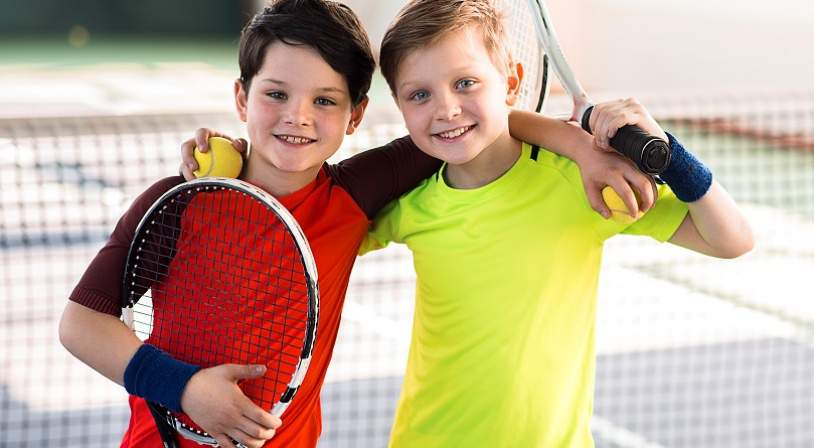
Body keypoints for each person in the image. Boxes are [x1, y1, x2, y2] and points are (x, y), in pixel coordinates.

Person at [60, 1, 655, 447]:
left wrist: (580, 147)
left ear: (356, 116)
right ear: (242, 99)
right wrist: (185, 389)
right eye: (276, 93)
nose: (297, 116)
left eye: (325, 100)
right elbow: (80, 324)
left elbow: (488, 120)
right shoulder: (178, 201)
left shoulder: (355, 194)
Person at [358, 0, 755, 447]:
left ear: (512, 84)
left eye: (465, 82)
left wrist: (671, 154)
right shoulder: (410, 201)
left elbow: (731, 239)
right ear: (399, 105)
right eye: (420, 94)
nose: (446, 109)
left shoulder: (582, 183)